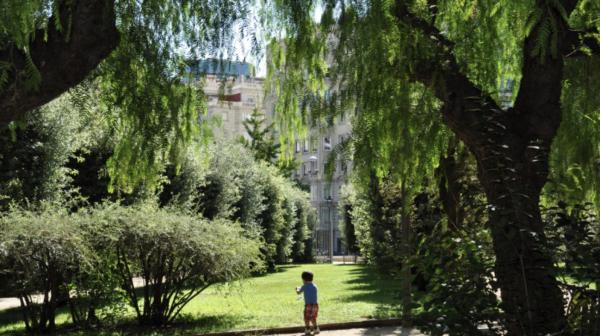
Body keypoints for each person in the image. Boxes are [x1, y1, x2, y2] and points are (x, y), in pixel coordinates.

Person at [296, 271, 319, 335]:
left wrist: (297, 289)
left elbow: (298, 292)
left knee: (306, 318)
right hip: (315, 305)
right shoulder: (315, 286)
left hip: (308, 305)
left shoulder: (304, 286)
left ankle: (308, 329)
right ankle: (316, 328)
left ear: (304, 280)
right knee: (313, 317)